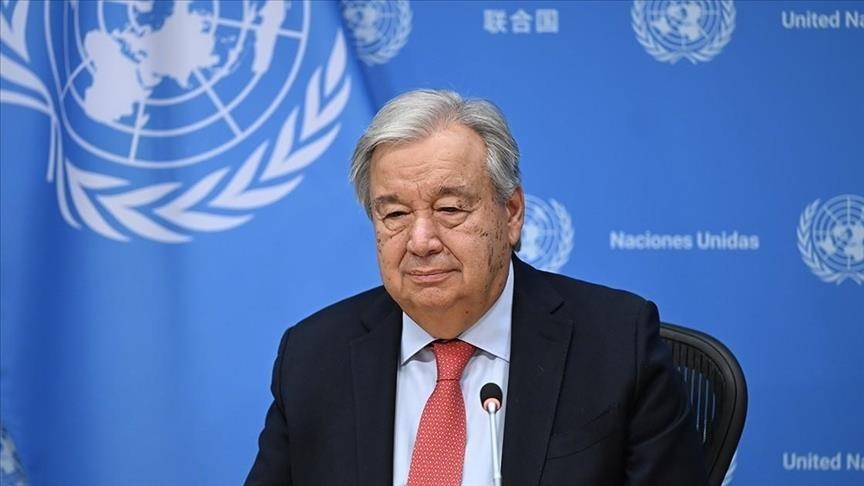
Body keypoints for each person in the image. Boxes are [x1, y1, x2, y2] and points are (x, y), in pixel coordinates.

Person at [246, 89, 708, 485]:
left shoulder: (616, 343)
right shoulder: (313, 357)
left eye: (450, 209)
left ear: (511, 213)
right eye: (395, 214)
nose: (421, 241)